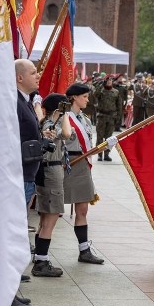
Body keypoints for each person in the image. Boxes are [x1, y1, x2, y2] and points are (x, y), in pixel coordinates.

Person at [14, 58, 47, 306]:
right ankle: (8, 290)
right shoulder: (14, 102)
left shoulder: (25, 101)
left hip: (27, 172)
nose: (38, 76)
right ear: (19, 78)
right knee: (14, 231)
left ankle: (12, 282)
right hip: (17, 174)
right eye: (33, 72)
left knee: (19, 228)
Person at [63, 83, 104, 265]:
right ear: (74, 97)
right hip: (67, 164)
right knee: (52, 212)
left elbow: (87, 147)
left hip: (83, 165)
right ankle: (41, 253)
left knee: (82, 210)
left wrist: (104, 146)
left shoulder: (85, 119)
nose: (87, 100)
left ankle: (84, 250)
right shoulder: (64, 117)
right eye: (84, 97)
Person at [32, 93, 72, 278]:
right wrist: (63, 115)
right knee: (51, 217)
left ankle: (39, 257)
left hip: (48, 170)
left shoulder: (47, 122)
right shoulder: (51, 124)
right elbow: (67, 134)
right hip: (51, 171)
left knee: (45, 218)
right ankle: (41, 261)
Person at [93, 77, 122, 162]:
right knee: (100, 137)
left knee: (109, 138)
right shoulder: (101, 91)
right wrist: (100, 85)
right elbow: (95, 94)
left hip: (111, 116)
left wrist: (118, 118)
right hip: (101, 116)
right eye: (108, 81)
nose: (109, 82)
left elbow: (119, 105)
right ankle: (99, 154)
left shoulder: (116, 92)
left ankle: (106, 154)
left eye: (110, 81)